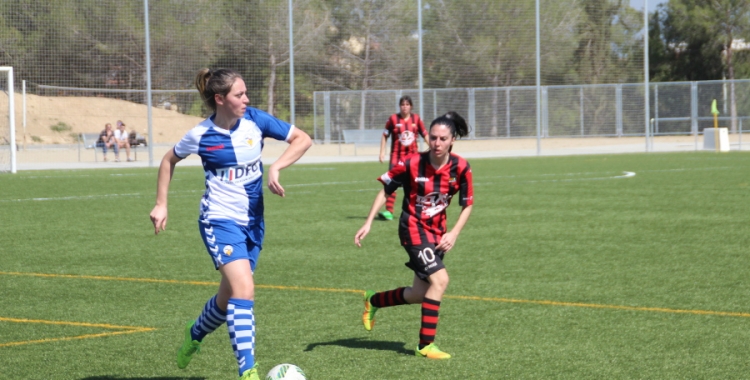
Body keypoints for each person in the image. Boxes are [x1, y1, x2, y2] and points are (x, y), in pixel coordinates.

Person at [149, 68, 312, 380]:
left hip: (253, 223)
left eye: (246, 93)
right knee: (244, 289)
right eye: (239, 94)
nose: (246, 99)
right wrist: (161, 203)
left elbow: (303, 139)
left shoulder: (256, 120)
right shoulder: (200, 135)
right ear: (220, 99)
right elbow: (169, 160)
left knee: (228, 299)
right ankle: (247, 372)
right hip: (219, 220)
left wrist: (276, 166)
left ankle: (194, 333)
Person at [355, 111, 473, 360]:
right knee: (440, 282)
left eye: (443, 139)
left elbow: (468, 205)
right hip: (412, 229)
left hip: (438, 234)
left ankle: (373, 300)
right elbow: (385, 191)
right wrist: (368, 223)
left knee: (420, 293)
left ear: (453, 140)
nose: (437, 143)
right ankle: (425, 345)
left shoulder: (461, 167)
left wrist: (454, 233)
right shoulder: (411, 163)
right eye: (433, 138)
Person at [378, 95, 428, 221]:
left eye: (407, 104)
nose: (404, 107)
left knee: (415, 184)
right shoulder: (393, 119)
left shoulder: (416, 119)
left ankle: (418, 210)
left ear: (411, 106)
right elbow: (385, 135)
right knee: (391, 183)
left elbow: (425, 134)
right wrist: (381, 152)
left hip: (413, 158)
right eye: (402, 105)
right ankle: (389, 212)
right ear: (400, 106)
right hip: (396, 157)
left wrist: (433, 147)